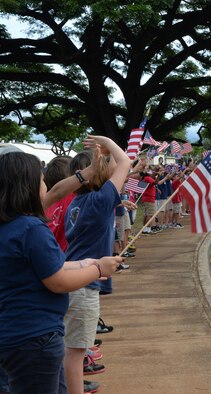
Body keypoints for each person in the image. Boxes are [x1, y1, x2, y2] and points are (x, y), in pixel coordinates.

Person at [0, 151, 120, 394]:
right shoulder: (32, 229)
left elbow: (49, 267)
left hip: (16, 333)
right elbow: (58, 281)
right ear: (28, 187)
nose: (46, 185)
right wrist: (98, 269)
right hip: (35, 337)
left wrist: (84, 263)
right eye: (41, 180)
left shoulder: (9, 226)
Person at [63, 135, 131, 394]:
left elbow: (120, 164)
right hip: (83, 286)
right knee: (76, 352)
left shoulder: (78, 202)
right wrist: (107, 141)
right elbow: (125, 161)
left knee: (70, 348)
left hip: (73, 279)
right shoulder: (99, 201)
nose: (116, 171)